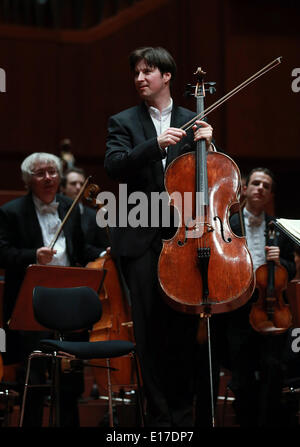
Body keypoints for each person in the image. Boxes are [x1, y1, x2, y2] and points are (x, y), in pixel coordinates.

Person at [104, 46, 219, 427]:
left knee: (183, 329)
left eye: (147, 71)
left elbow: (212, 178)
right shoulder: (122, 122)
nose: (140, 78)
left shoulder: (194, 119)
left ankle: (183, 413)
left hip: (185, 237)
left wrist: (211, 144)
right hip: (139, 240)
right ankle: (158, 416)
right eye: (136, 72)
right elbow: (115, 166)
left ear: (167, 76)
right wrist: (155, 146)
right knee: (149, 331)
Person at [0, 152, 104, 426]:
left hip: (69, 303)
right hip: (31, 303)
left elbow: (82, 250)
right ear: (27, 180)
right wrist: (32, 256)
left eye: (52, 172)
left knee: (69, 379)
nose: (48, 178)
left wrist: (107, 251)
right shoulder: (11, 212)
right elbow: (2, 253)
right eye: (40, 173)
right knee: (33, 379)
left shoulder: (72, 207)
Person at [225, 167, 296, 427]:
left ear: (269, 195)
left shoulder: (278, 227)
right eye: (256, 183)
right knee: (242, 376)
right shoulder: (229, 225)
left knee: (273, 370)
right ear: (245, 189)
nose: (260, 188)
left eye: (266, 186)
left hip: (271, 308)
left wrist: (283, 263)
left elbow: (292, 266)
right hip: (239, 309)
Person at [60, 166, 109, 251]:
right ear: (63, 188)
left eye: (82, 184)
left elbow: (103, 247)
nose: (78, 187)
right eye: (73, 183)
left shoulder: (94, 216)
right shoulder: (54, 211)